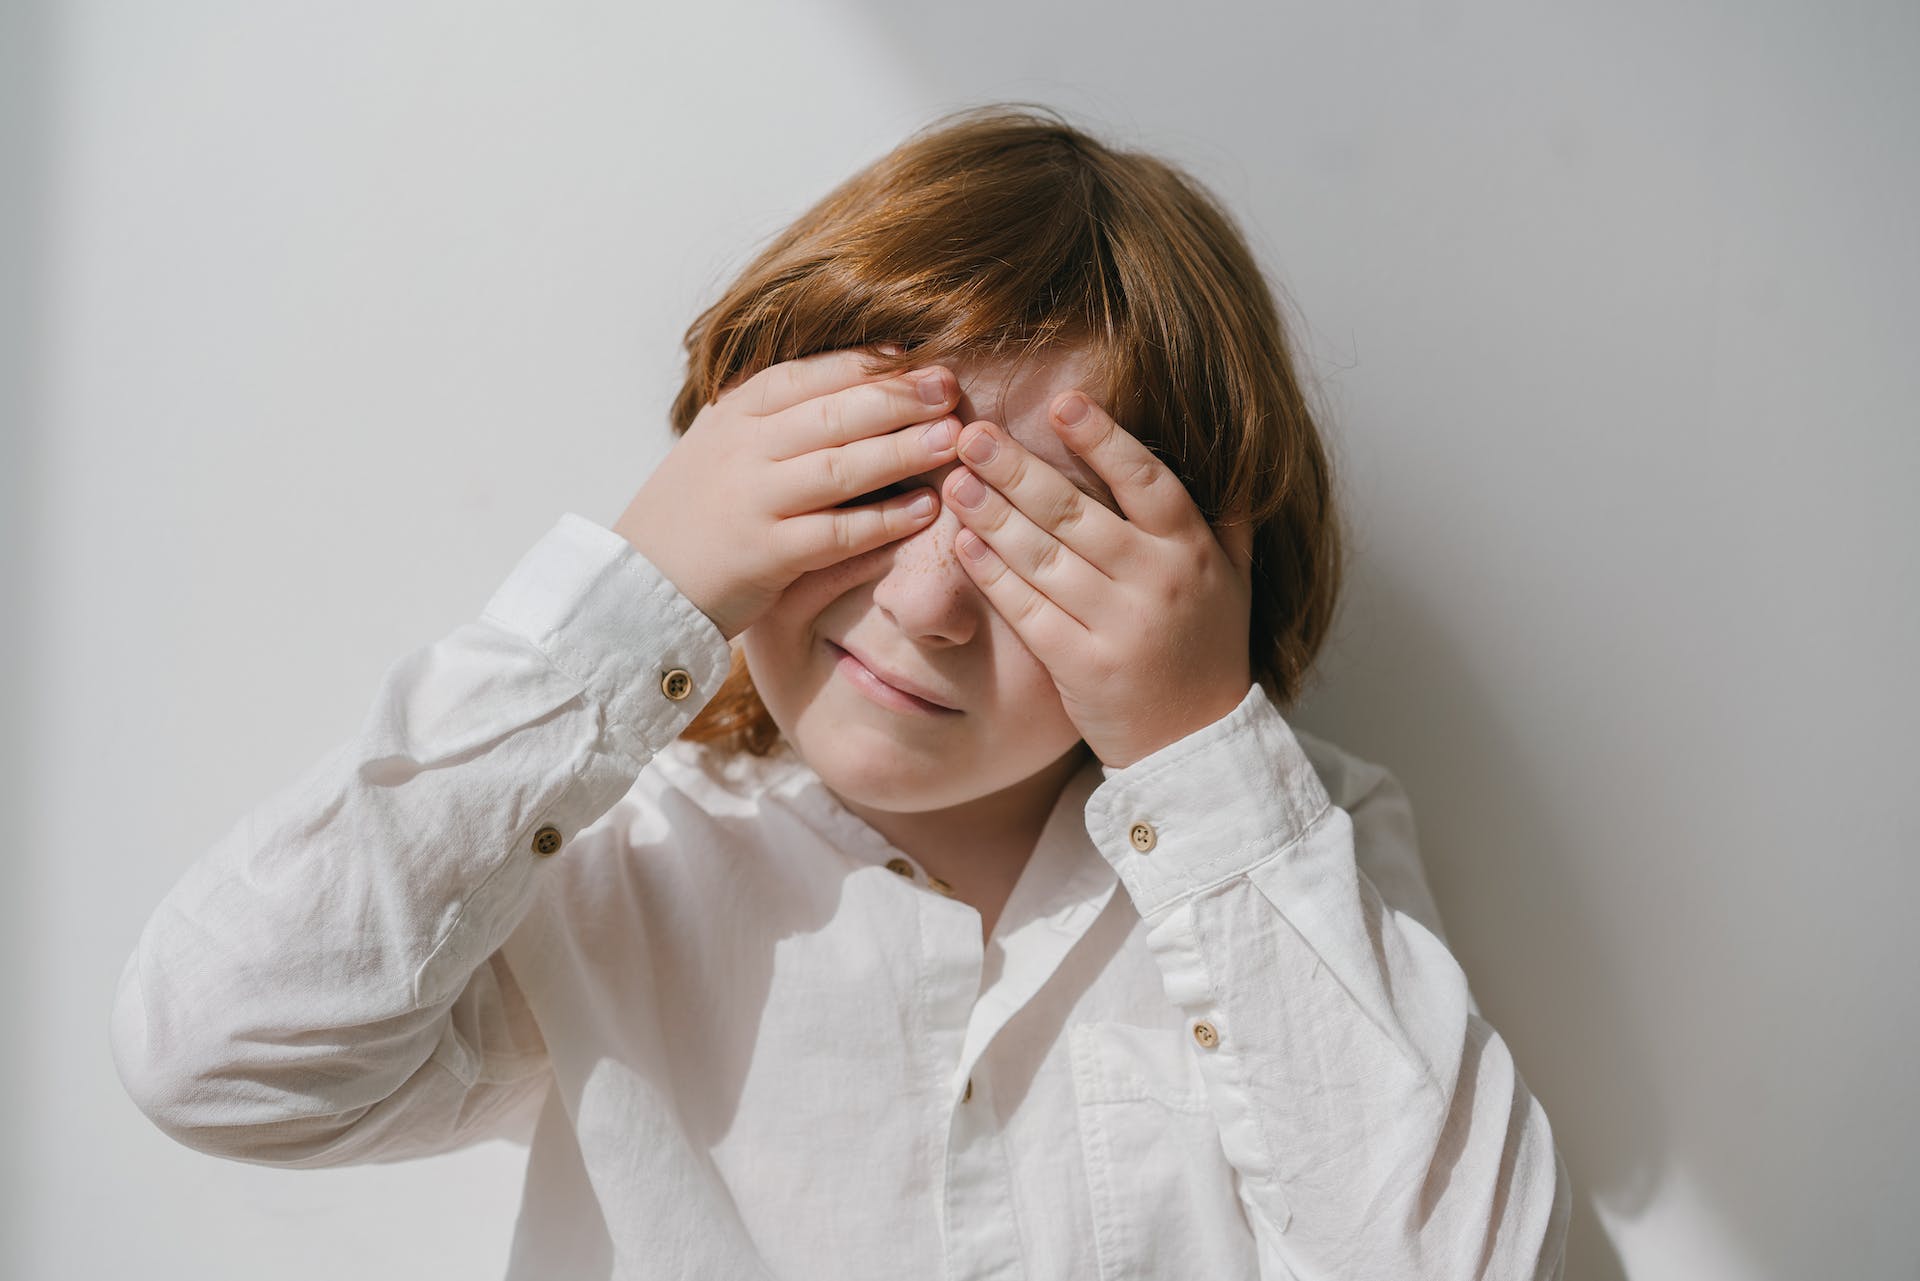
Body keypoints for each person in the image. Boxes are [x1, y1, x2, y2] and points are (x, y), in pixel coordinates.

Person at [109, 103, 1571, 1278]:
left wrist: (1198, 747)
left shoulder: (1295, 852)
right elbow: (218, 1053)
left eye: (1038, 543)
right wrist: (639, 595)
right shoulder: (618, 861)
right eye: (876, 491)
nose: (928, 606)